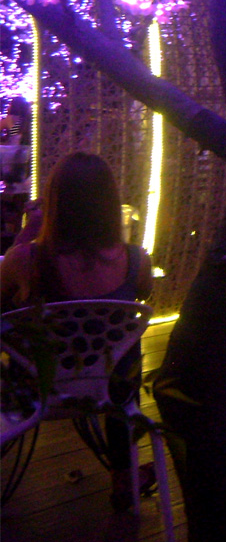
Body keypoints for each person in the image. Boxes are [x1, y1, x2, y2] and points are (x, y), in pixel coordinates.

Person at [0, 152, 154, 511]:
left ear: (55, 202)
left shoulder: (25, 259)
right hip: (111, 389)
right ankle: (124, 477)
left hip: (35, 389)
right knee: (119, 356)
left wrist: (28, 231)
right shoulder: (136, 259)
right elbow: (143, 299)